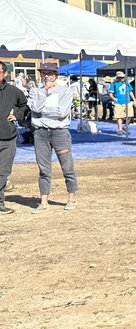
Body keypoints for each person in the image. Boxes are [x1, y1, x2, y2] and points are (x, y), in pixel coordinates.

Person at [28, 61, 78, 212]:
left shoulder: (65, 91)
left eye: (50, 73)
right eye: (44, 73)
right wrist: (45, 95)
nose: (47, 76)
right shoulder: (35, 91)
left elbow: (62, 113)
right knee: (43, 168)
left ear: (55, 75)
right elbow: (34, 108)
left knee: (67, 166)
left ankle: (71, 199)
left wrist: (42, 111)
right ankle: (44, 202)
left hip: (59, 132)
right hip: (41, 132)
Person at [0, 61, 29, 215]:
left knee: (3, 172)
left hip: (7, 138)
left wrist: (16, 115)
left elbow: (24, 106)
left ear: (4, 73)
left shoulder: (14, 91)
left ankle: (0, 203)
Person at [109, 71, 135, 137]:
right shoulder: (114, 84)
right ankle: (119, 129)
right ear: (118, 78)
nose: (122, 78)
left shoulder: (127, 83)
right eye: (121, 77)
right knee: (119, 116)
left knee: (130, 115)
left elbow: (130, 92)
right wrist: (114, 99)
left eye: (123, 77)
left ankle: (126, 126)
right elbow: (110, 93)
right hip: (118, 102)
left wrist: (134, 99)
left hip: (127, 101)